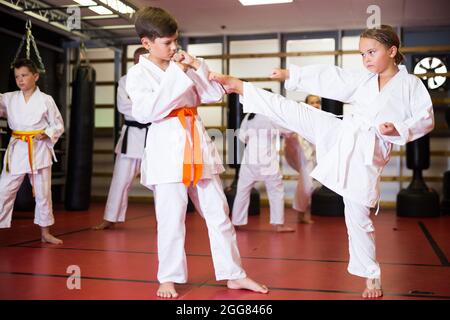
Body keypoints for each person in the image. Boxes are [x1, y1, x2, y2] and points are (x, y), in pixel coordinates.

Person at [210, 25, 434, 299]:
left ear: (392, 50)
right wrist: (294, 75)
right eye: (362, 54)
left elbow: (425, 118)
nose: (366, 59)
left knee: (358, 217)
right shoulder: (364, 79)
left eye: (371, 52)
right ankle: (242, 87)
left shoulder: (410, 85)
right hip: (343, 131)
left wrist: (396, 128)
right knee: (297, 112)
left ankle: (371, 276)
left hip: (368, 150)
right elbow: (333, 78)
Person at [125, 7, 268, 298]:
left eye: (175, 40)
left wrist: (196, 66)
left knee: (219, 213)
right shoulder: (137, 75)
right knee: (171, 217)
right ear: (146, 43)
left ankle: (233, 274)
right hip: (166, 147)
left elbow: (214, 94)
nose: (174, 47)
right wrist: (178, 73)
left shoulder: (183, 63)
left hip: (196, 142)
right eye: (167, 42)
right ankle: (168, 277)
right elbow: (145, 112)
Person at [0, 58, 64, 244]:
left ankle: (45, 233)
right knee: (3, 189)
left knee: (44, 193)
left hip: (39, 150)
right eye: (17, 76)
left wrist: (47, 133)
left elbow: (58, 124)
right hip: (18, 148)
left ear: (35, 76)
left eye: (24, 75)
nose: (20, 80)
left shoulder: (46, 100)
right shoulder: (9, 98)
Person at [93, 47, 150, 230]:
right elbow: (123, 106)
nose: (138, 63)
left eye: (143, 59)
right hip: (131, 137)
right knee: (120, 179)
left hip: (154, 138)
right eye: (136, 59)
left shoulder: (159, 80)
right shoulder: (125, 81)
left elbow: (161, 107)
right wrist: (147, 111)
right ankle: (110, 218)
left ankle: (166, 221)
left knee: (161, 183)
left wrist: (146, 109)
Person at [232, 112, 295, 232]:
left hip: (250, 156)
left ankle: (236, 222)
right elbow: (288, 132)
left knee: (242, 191)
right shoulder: (272, 115)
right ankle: (279, 225)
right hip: (267, 157)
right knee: (276, 191)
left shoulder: (249, 116)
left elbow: (242, 137)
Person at [284, 95, 321, 224]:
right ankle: (301, 215)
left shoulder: (321, 118)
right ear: (306, 104)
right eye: (312, 103)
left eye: (317, 102)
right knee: (307, 184)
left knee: (309, 185)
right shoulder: (301, 117)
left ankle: (301, 213)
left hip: (316, 155)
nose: (315, 105)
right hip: (304, 155)